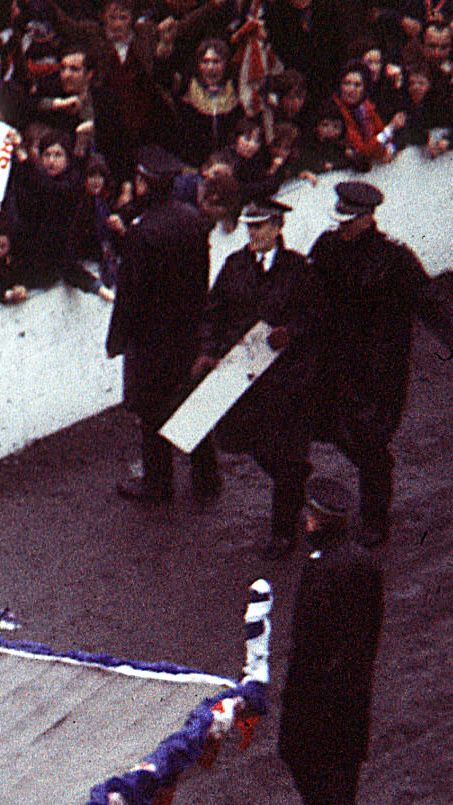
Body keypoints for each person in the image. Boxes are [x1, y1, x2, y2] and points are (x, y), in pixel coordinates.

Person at [304, 180, 453, 548]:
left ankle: (374, 519)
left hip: (379, 371)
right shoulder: (327, 248)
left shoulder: (395, 260)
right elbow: (305, 291)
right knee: (332, 428)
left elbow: (431, 304)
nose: (342, 228)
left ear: (369, 219)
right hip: (335, 363)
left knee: (370, 443)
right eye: (340, 221)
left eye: (350, 221)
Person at [198, 199, 323, 558]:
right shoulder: (235, 266)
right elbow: (212, 312)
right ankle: (295, 486)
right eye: (248, 226)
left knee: (286, 455)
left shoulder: (298, 270)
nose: (252, 233)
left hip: (288, 382)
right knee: (249, 443)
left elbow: (317, 316)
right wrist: (208, 349)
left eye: (260, 226)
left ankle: (283, 532)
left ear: (278, 226)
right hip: (245, 378)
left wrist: (291, 332)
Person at [279, 478, 384, 805]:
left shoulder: (327, 566)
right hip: (347, 683)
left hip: (322, 684)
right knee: (338, 757)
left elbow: (319, 635)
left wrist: (316, 681)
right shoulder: (355, 560)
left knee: (305, 755)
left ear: (319, 521)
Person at [106, 145, 215, 505]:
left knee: (153, 412)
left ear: (142, 183)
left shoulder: (143, 233)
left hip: (152, 338)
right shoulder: (193, 219)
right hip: (187, 329)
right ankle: (206, 478)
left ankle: (158, 482)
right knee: (192, 402)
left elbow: (130, 294)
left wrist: (117, 340)